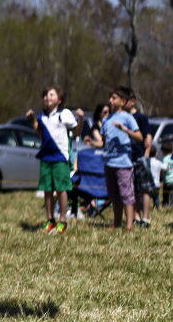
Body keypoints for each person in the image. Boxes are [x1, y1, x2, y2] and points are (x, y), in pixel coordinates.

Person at [25, 86, 79, 234]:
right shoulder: (42, 116)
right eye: (45, 95)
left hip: (60, 157)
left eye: (51, 95)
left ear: (59, 100)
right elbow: (40, 134)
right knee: (47, 190)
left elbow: (76, 131)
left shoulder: (65, 114)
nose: (47, 97)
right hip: (46, 157)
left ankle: (63, 220)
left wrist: (80, 120)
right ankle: (50, 220)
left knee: (61, 189)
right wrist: (32, 120)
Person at [90, 86, 144, 231]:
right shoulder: (106, 120)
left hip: (123, 162)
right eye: (110, 98)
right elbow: (103, 142)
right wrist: (92, 142)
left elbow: (139, 137)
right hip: (109, 162)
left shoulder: (127, 118)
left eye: (114, 98)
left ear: (123, 101)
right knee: (114, 195)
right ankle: (117, 223)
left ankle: (129, 225)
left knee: (126, 194)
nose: (110, 101)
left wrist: (124, 130)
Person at [126, 92, 155, 228]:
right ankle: (136, 217)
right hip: (127, 158)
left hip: (140, 157)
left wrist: (146, 155)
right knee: (132, 190)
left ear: (132, 101)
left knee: (144, 188)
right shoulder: (123, 117)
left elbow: (148, 137)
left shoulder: (141, 117)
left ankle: (146, 218)